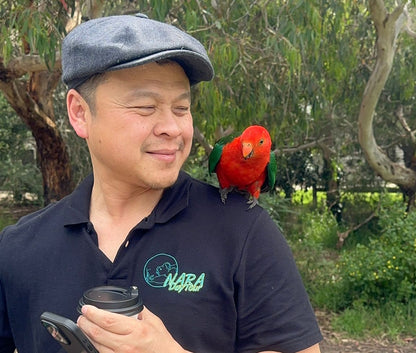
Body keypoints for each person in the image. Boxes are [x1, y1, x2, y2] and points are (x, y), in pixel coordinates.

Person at [0, 14, 322, 353]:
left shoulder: (244, 232)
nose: (173, 127)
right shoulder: (18, 248)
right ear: (80, 113)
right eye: (145, 106)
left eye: (181, 108)